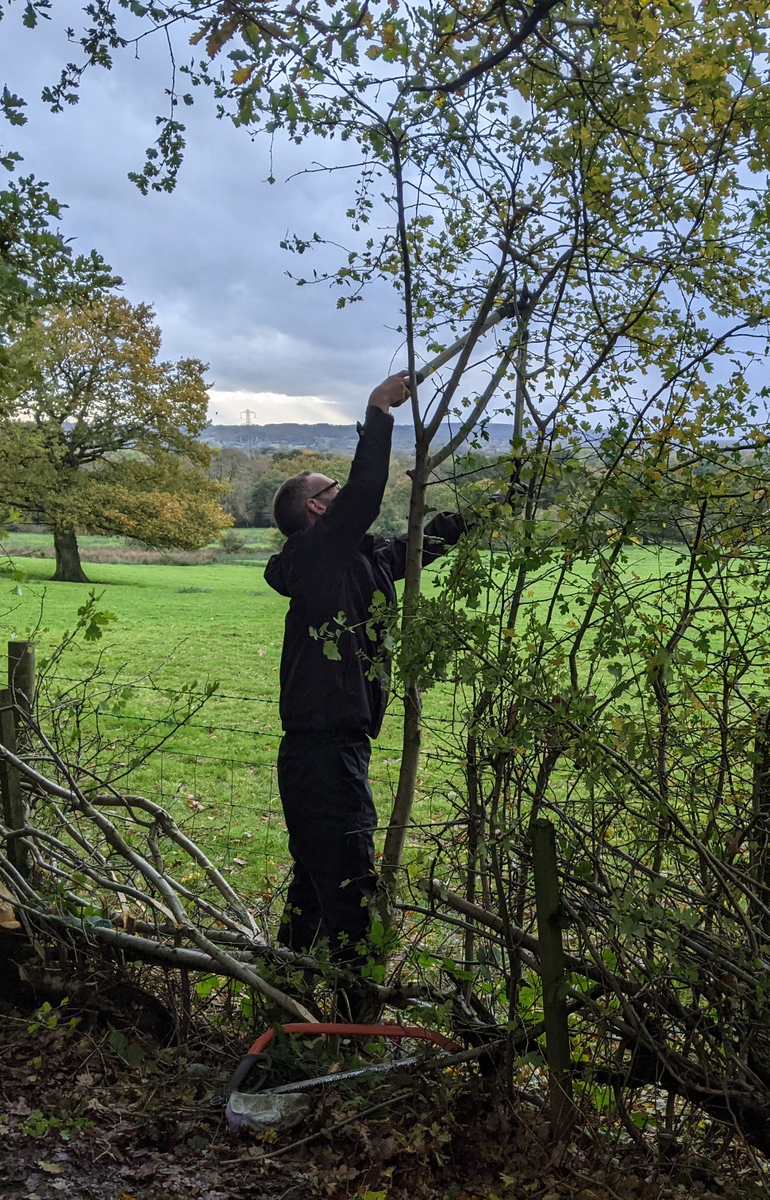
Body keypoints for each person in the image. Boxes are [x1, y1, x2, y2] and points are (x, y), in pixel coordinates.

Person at [263, 371, 465, 1014]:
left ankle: (287, 1014)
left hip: (336, 753)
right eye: (330, 488)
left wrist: (492, 506)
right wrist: (379, 413)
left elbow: (417, 545)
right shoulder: (311, 556)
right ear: (317, 510)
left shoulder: (359, 558)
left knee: (315, 897)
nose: (340, 489)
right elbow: (367, 497)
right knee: (350, 895)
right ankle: (356, 1028)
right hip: (321, 757)